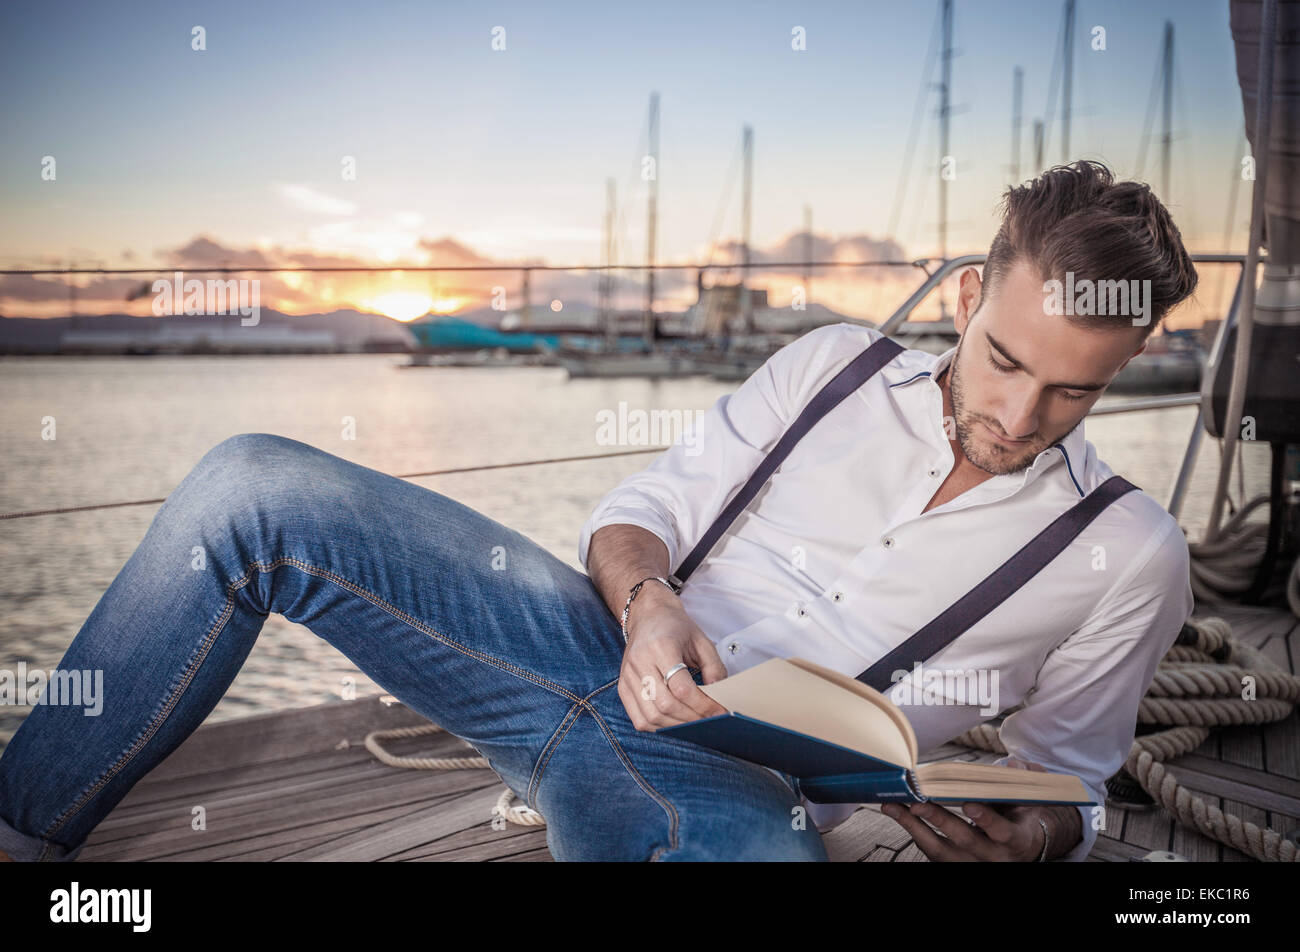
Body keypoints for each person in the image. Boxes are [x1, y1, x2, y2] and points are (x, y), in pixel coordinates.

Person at [0, 160, 1198, 862]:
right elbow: (641, 512)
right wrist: (649, 602)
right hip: (560, 644)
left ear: (1135, 356)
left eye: (1072, 390)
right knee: (250, 487)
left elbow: (1071, 778)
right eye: (1001, 359)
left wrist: (1034, 837)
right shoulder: (831, 362)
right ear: (973, 295)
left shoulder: (1127, 552)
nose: (1018, 412)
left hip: (749, 785)